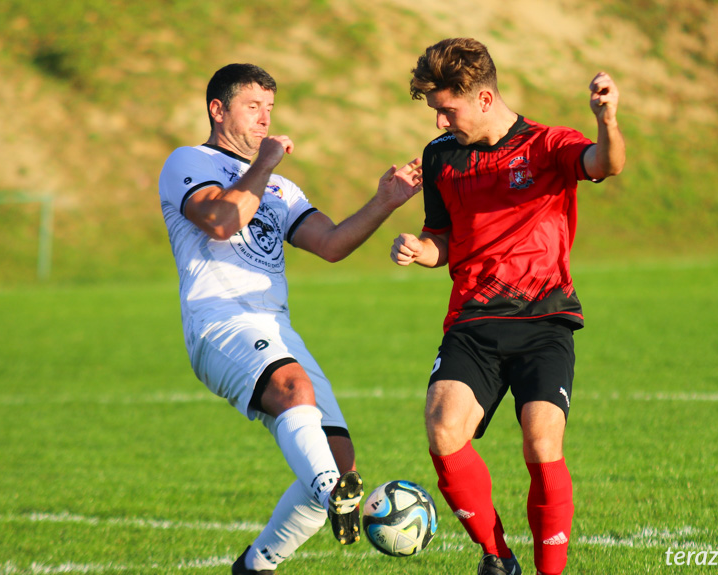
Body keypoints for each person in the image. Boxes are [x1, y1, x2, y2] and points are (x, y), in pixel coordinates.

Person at [158, 63, 423, 574]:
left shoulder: (281, 189)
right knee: (293, 390)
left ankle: (257, 564)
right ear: (218, 109)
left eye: (270, 109)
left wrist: (385, 200)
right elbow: (220, 220)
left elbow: (330, 244)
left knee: (338, 453)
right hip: (219, 322)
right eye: (252, 107)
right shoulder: (187, 161)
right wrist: (264, 162)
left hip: (274, 325)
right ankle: (334, 497)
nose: (264, 119)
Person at [390, 38, 625, 575]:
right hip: (472, 322)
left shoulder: (547, 146)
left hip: (543, 320)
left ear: (486, 98)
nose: (440, 122)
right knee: (443, 428)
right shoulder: (441, 157)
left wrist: (607, 119)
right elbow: (442, 239)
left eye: (448, 110)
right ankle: (497, 557)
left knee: (542, 443)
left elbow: (605, 164)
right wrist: (419, 250)